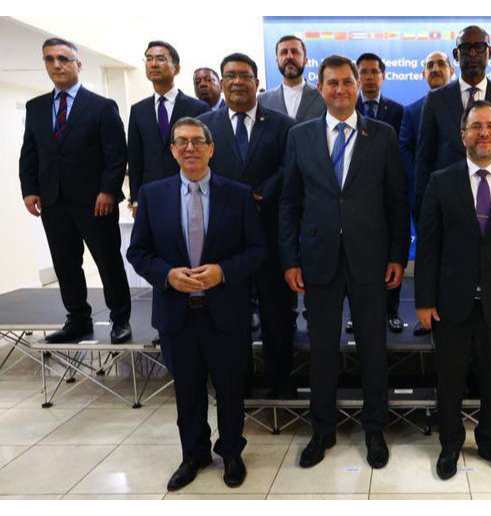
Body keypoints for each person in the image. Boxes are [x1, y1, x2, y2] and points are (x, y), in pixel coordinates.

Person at [279, 55, 409, 470]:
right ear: (320, 88)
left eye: (347, 82)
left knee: (372, 348)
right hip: (318, 260)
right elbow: (290, 202)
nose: (339, 90)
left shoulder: (382, 134)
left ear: (357, 86)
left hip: (370, 259)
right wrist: (290, 259)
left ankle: (375, 429)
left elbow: (396, 201)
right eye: (331, 83)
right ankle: (323, 430)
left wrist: (398, 255)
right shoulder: (300, 136)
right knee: (322, 351)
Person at [127, 117, 265, 490]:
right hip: (177, 314)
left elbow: (257, 250)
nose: (190, 148)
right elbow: (138, 252)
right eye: (182, 142)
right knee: (187, 392)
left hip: (226, 312)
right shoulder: (152, 195)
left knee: (231, 390)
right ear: (173, 150)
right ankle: (194, 454)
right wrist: (167, 275)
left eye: (197, 141)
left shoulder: (238, 194)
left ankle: (232, 452)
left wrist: (223, 271)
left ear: (211, 148)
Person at [416, 100, 491, 480]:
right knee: (450, 381)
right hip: (451, 303)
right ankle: (450, 445)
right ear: (463, 135)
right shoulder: (441, 181)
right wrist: (424, 300)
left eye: (490, 126)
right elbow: (428, 247)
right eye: (476, 126)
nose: (483, 133)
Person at [19, 37, 132, 344]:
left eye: (64, 59)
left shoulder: (101, 107)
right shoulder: (36, 107)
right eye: (50, 59)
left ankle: (120, 319)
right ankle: (78, 319)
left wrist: (108, 191)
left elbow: (116, 155)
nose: (57, 64)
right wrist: (29, 190)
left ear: (78, 64)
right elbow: (30, 153)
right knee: (66, 264)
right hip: (53, 202)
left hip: (96, 202)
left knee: (108, 262)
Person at [198, 53, 296, 396]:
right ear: (222, 82)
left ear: (257, 82)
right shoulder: (203, 126)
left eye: (245, 75)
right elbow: (197, 173)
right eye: (230, 76)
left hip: (271, 233)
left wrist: (265, 191)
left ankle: (280, 383)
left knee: (277, 313)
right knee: (230, 315)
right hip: (223, 237)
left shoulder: (283, 125)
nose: (237, 81)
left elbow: (290, 169)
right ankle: (235, 385)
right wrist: (236, 196)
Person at [415, 25, 491, 219]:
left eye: (479, 47)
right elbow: (425, 158)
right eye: (466, 48)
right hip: (447, 206)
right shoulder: (436, 99)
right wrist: (423, 212)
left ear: (490, 52)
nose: (473, 53)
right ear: (456, 55)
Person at [346, 52, 405, 334]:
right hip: (355, 198)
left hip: (386, 194)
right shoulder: (346, 108)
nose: (368, 77)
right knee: (354, 260)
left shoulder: (398, 111)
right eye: (363, 72)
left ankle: (392, 311)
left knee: (391, 257)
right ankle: (355, 314)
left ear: (383, 76)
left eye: (374, 72)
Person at [399, 50, 453, 337]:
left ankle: (453, 313)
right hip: (426, 198)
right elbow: (405, 151)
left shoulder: (466, 106)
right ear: (422, 74)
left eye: (441, 64)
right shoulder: (411, 111)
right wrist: (424, 185)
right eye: (430, 65)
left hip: (461, 198)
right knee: (427, 256)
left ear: (451, 71)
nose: (435, 68)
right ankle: (425, 316)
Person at [128, 41, 209, 213]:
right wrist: (135, 198)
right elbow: (135, 158)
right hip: (151, 194)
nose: (153, 64)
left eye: (160, 59)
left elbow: (206, 153)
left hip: (191, 191)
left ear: (176, 68)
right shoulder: (138, 110)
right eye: (149, 59)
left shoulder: (198, 108)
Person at [258, 35, 325, 122]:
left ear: (305, 60)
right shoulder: (263, 100)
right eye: (284, 52)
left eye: (295, 52)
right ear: (277, 61)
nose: (289, 56)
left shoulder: (322, 96)